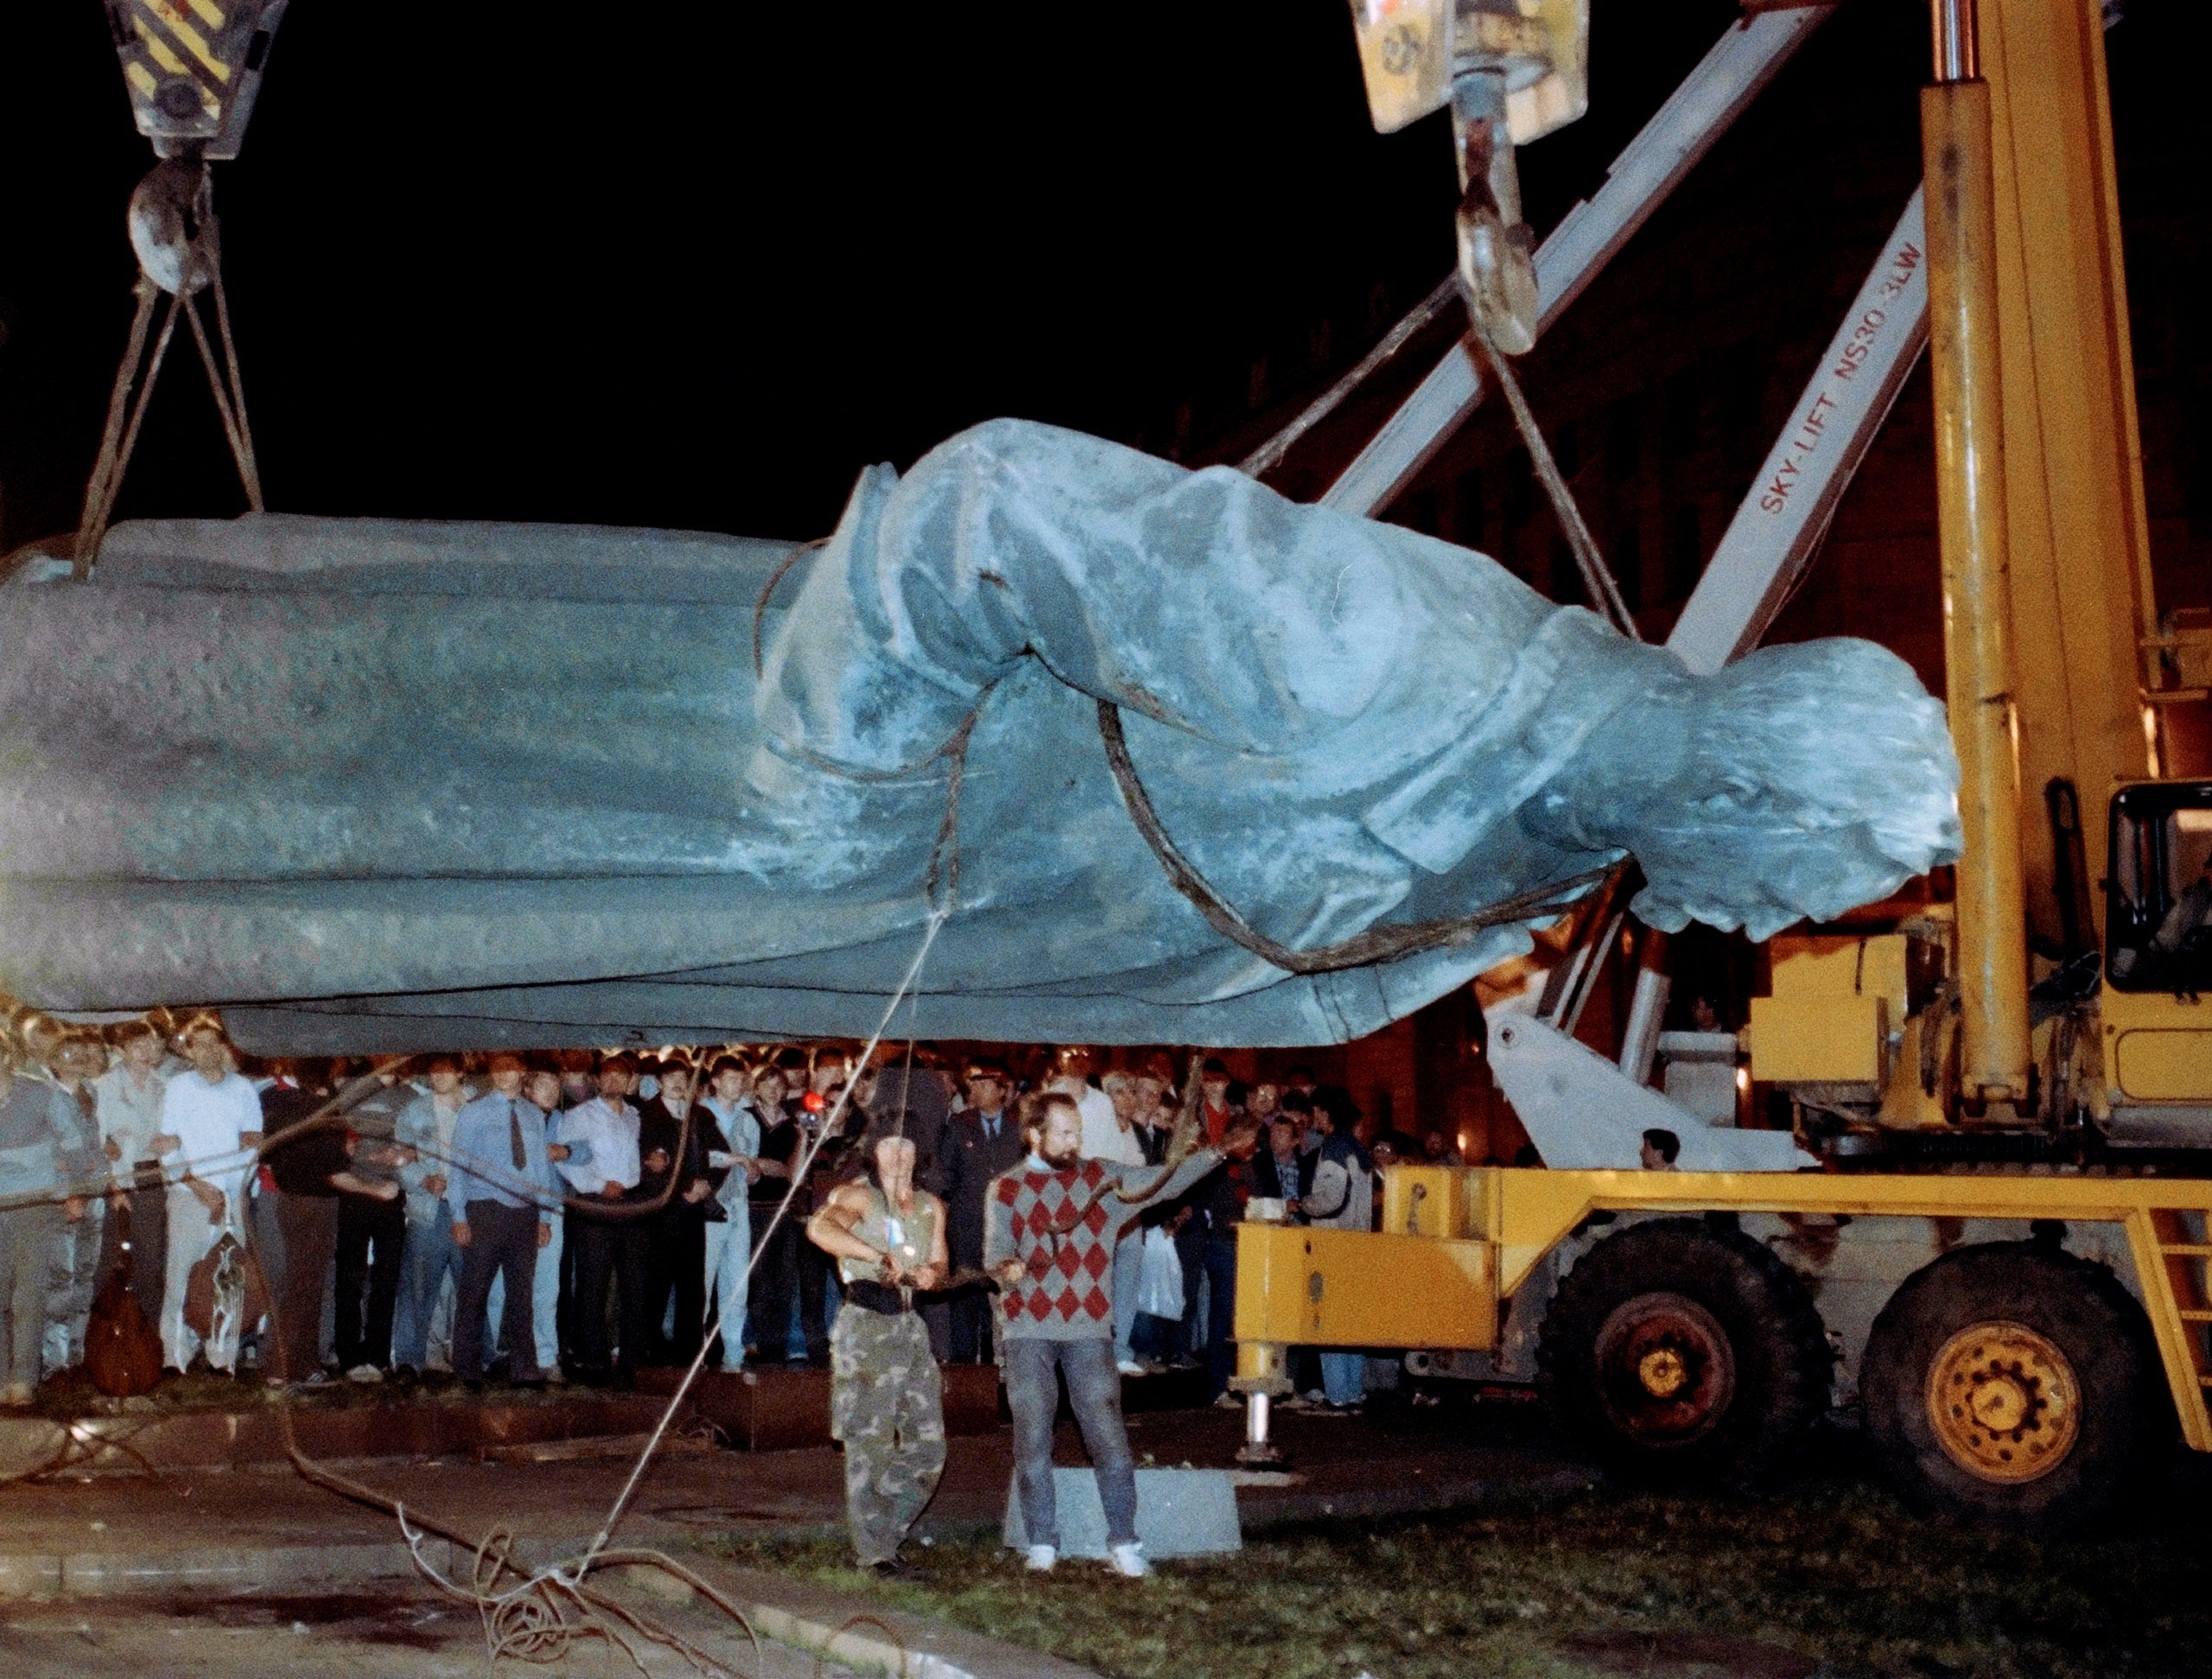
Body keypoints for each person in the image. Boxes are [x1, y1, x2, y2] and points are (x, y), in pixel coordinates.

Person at [985, 1089, 1224, 1578]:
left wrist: (1216, 1153)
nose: (1075, 1142)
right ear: (1035, 1134)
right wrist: (1005, 1267)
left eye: (1079, 1132)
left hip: (1089, 1328)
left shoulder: (1103, 1180)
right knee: (1032, 1436)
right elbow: (995, 1252)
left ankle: (1125, 1541)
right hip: (1027, 1327)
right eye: (1064, 1132)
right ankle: (1041, 1542)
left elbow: (1164, 1182)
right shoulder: (1005, 1189)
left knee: (1108, 1435)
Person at [806, 1132, 949, 1578]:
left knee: (929, 1446)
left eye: (908, 1144)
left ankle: (884, 1532)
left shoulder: (930, 1206)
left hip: (910, 1327)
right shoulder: (857, 1196)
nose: (899, 1153)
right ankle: (875, 1553)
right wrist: (875, 1255)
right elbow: (821, 1228)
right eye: (889, 1144)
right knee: (869, 1444)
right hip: (867, 1323)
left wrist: (932, 1274)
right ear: (874, 1151)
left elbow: (941, 1263)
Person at [154, 1015, 263, 1374]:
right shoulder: (179, 1087)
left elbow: (252, 1143)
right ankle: (174, 1356)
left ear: (225, 1048)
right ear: (188, 1051)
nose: (208, 1051)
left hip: (232, 1196)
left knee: (229, 1276)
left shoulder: (244, 1089)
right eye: (198, 1044)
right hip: (190, 1195)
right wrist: (198, 1186)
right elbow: (168, 1145)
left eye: (214, 1044)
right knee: (181, 1274)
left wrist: (230, 1191)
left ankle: (222, 1356)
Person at [448, 1059, 563, 1390]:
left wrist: (543, 1215)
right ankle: (467, 1367)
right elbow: (457, 1165)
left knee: (522, 1293)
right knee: (474, 1290)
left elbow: (540, 1168)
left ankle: (524, 1367)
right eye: (497, 1067)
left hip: (524, 1212)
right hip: (485, 1209)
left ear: (522, 1073)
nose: (502, 1073)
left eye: (510, 1067)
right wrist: (458, 1215)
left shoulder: (532, 1114)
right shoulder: (473, 1111)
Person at [925, 1061, 1027, 1363]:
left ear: (1002, 1089)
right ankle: (965, 1370)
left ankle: (1006, 1368)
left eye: (985, 1084)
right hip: (967, 1227)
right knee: (965, 1300)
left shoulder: (1019, 1125)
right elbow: (945, 1173)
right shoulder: (959, 1125)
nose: (978, 1090)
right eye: (974, 1084)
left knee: (1006, 1298)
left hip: (1010, 1228)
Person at [559, 1053, 647, 1383]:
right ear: (596, 1081)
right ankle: (591, 1358)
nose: (612, 1081)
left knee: (633, 1285)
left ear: (629, 1082)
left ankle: (630, 1360)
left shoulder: (634, 1116)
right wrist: (597, 1184)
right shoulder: (581, 1115)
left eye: (619, 1076)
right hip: (595, 1206)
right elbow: (564, 1159)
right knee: (592, 1284)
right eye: (606, 1076)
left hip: (630, 1205)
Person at [0, 1046, 78, 1405]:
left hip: (34, 1201)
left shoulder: (40, 1093)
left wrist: (73, 1189)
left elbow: (75, 1142)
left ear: (6, 1057)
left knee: (28, 1293)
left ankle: (23, 1379)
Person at [392, 1055, 472, 1379]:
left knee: (472, 1286)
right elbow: (399, 1156)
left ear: (461, 1072)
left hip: (468, 1209)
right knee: (418, 1287)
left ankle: (472, 1360)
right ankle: (410, 1361)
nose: (439, 1075)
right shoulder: (415, 1110)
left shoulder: (475, 1108)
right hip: (430, 1210)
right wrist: (424, 1180)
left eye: (446, 1069)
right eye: (434, 1070)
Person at [43, 1035, 112, 1372]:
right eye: (67, 1053)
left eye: (82, 1054)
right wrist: (76, 1190)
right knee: (62, 1275)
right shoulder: (53, 1098)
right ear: (54, 1061)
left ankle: (77, 1352)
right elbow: (70, 1151)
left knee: (86, 1273)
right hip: (70, 1195)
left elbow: (93, 1146)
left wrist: (101, 1161)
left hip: (94, 1193)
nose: (76, 1059)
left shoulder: (91, 1094)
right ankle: (55, 1359)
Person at [92, 1021, 169, 1323]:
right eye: (137, 1047)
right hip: (119, 1176)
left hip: (152, 1174)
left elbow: (173, 1129)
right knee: (109, 1257)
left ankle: (147, 1334)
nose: (145, 1052)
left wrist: (173, 1140)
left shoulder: (161, 1084)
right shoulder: (107, 1085)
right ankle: (96, 1334)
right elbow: (100, 1138)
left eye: (149, 1045)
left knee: (150, 1258)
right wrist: (115, 1187)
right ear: (121, 1051)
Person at [639, 1055, 714, 1364]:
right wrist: (685, 1185)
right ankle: (651, 1350)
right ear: (658, 1083)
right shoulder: (645, 1115)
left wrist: (708, 1183)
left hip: (694, 1213)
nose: (678, 1083)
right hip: (661, 1212)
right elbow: (648, 1164)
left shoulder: (701, 1115)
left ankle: (689, 1352)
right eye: (670, 1078)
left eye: (683, 1077)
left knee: (692, 1284)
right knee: (656, 1282)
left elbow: (719, 1154)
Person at [1302, 1086, 1373, 1411]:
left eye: (1315, 1111)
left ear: (1325, 1113)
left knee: (1327, 1319)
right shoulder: (1357, 1147)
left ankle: (1337, 1394)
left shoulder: (1332, 1148)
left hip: (1332, 1243)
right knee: (1351, 1322)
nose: (1312, 1117)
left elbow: (1330, 1199)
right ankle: (1354, 1391)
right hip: (1358, 1245)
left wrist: (1300, 1205)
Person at [698, 1055, 761, 1371]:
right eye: (733, 1079)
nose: (739, 1086)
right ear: (717, 1081)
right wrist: (735, 1158)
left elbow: (754, 1163)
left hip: (739, 1205)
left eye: (742, 1080)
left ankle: (733, 1355)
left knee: (737, 1283)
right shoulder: (700, 1115)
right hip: (710, 1207)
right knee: (703, 1282)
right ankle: (696, 1352)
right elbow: (700, 1157)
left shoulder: (748, 1120)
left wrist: (753, 1173)